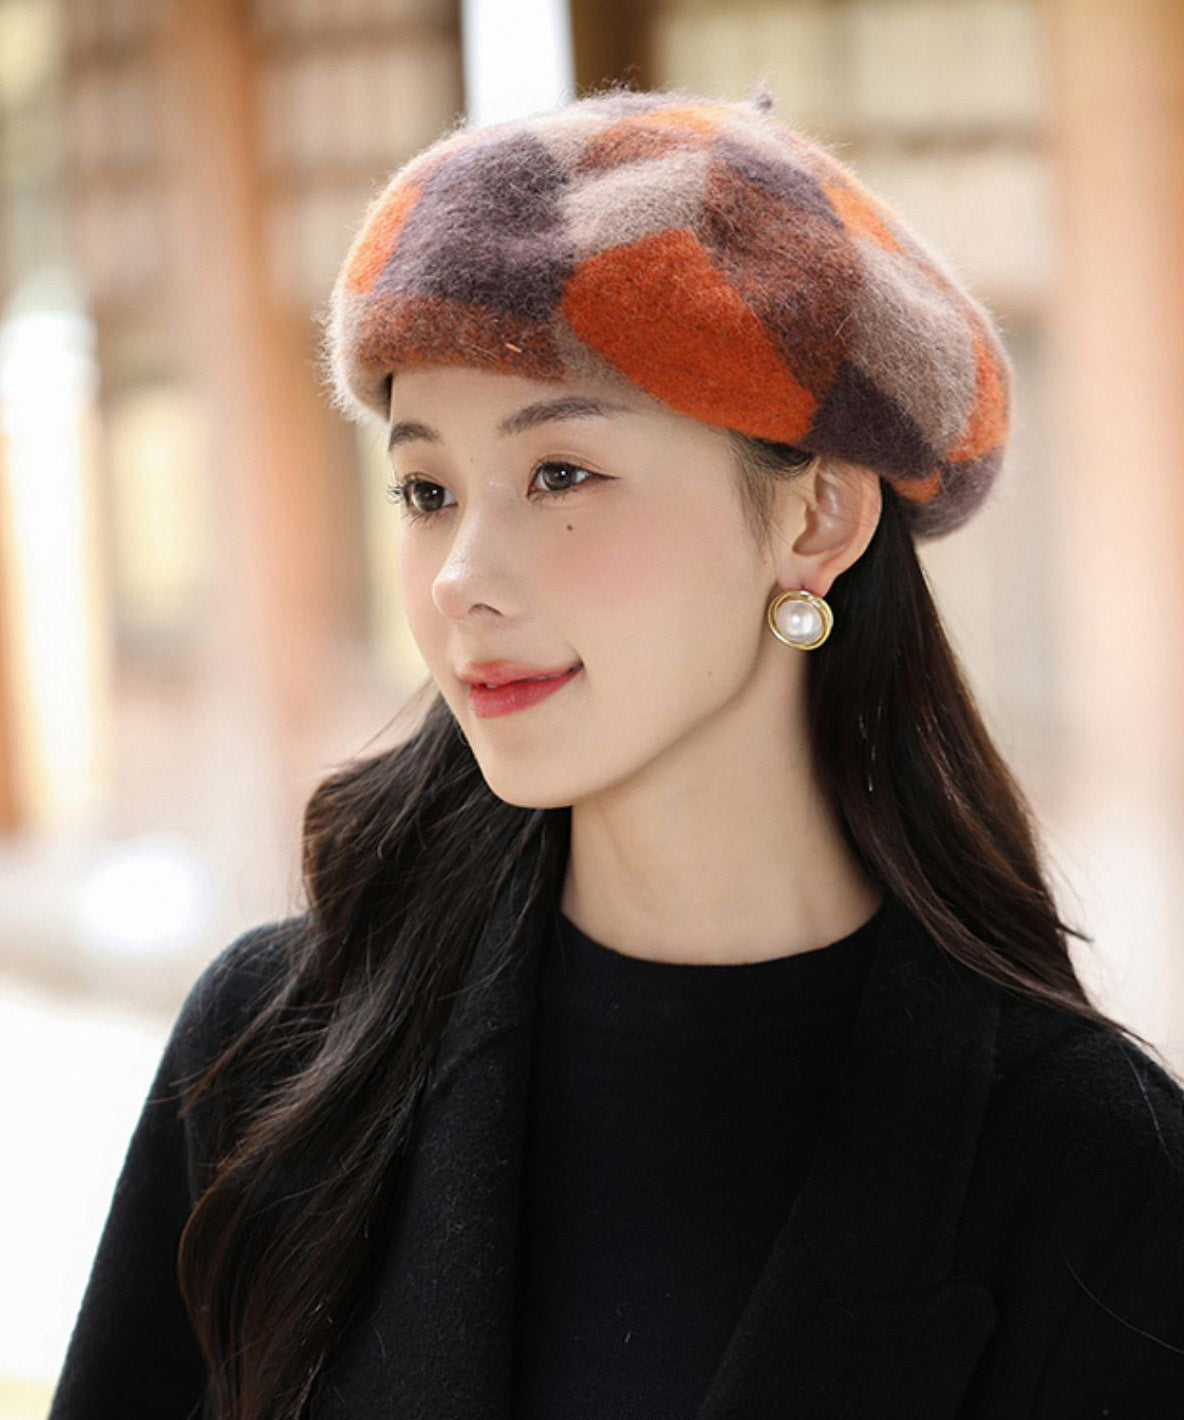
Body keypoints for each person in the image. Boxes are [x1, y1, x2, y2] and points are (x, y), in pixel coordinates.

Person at [48, 82, 1184, 1420]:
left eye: (561, 475)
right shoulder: (271, 1054)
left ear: (817, 518)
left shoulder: (1091, 1172)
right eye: (426, 490)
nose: (461, 578)